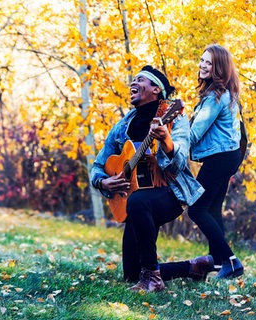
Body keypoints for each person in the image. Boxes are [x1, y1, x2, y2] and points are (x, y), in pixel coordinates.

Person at [90, 65, 211, 292]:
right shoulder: (124, 125)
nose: (133, 83)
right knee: (131, 275)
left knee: (138, 201)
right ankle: (193, 267)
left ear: (156, 89)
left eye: (140, 80)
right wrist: (103, 182)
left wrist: (166, 141)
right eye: (132, 80)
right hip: (136, 200)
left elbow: (181, 160)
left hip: (169, 194)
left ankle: (153, 280)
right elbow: (98, 165)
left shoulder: (174, 117)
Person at [188, 44, 244, 279]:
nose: (202, 65)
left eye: (209, 62)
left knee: (196, 209)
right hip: (229, 155)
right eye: (202, 60)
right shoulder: (226, 92)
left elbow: (194, 133)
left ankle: (231, 261)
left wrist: (170, 144)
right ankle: (220, 263)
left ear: (218, 67)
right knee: (212, 208)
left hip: (220, 158)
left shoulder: (215, 97)